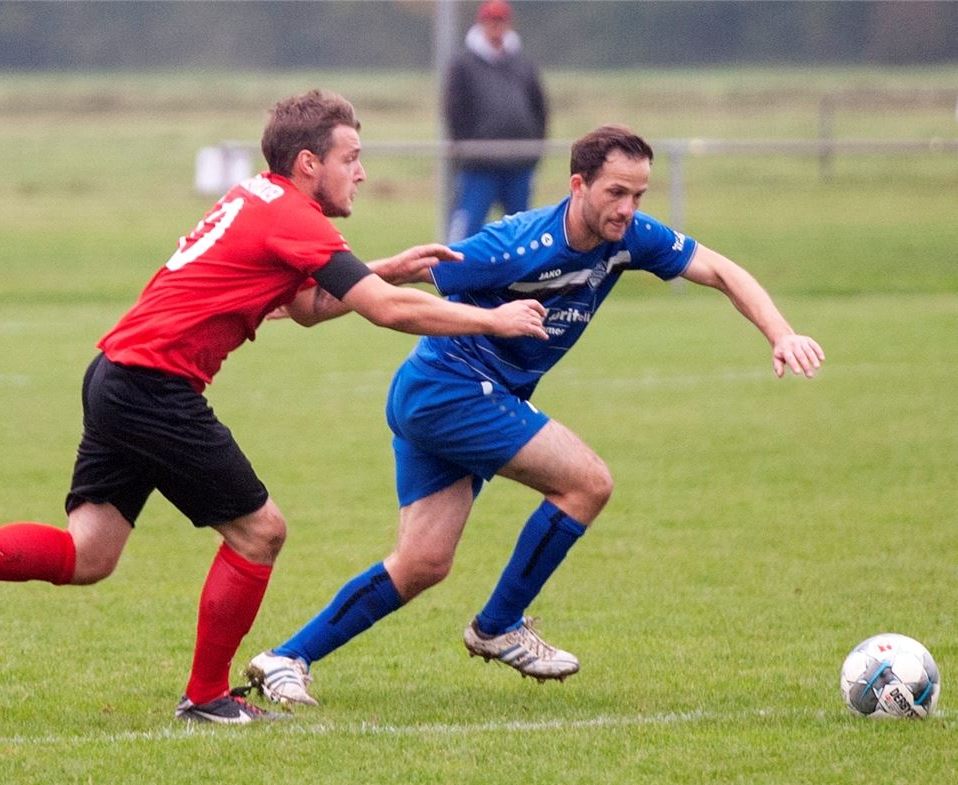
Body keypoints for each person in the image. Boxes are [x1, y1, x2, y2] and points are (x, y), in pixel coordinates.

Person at [0, 90, 549, 726]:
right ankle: (207, 697)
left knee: (89, 553)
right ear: (306, 163)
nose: (361, 170)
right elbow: (387, 314)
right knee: (260, 531)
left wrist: (378, 268)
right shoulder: (295, 217)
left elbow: (300, 305)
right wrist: (494, 320)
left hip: (115, 374)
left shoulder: (255, 198)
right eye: (351, 156)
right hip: (153, 387)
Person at [246, 124, 825, 707]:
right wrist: (287, 300)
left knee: (422, 562)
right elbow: (395, 282)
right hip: (450, 390)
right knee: (587, 482)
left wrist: (780, 332)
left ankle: (286, 657)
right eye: (615, 193)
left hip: (447, 393)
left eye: (639, 196)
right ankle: (499, 625)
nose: (627, 209)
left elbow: (723, 271)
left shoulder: (630, 239)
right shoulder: (514, 245)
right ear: (579, 185)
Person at [444, 0, 548, 243]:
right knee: (467, 227)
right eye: (491, 22)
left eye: (501, 22)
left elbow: (539, 108)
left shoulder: (523, 63)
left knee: (522, 233)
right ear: (481, 24)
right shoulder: (464, 65)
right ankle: (455, 275)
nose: (496, 28)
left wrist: (534, 150)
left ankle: (517, 278)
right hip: (478, 163)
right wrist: (466, 150)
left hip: (518, 161)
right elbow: (454, 111)